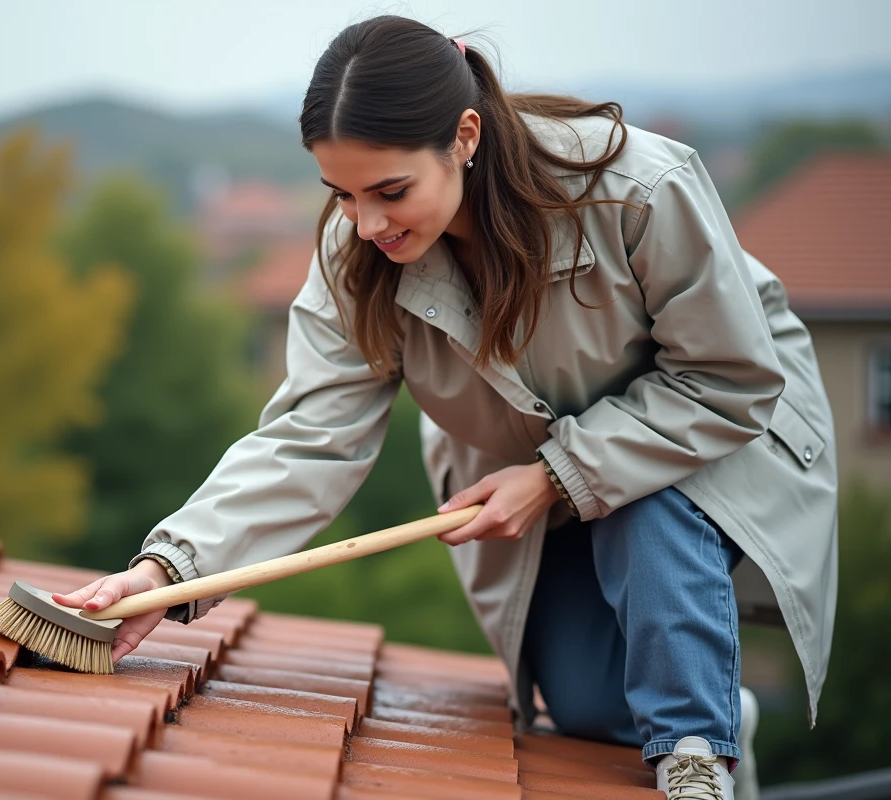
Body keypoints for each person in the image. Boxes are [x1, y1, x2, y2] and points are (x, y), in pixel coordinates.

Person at [54, 15, 838, 800]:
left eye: (391, 191)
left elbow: (726, 379)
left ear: (464, 136)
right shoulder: (355, 254)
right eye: (343, 194)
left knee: (646, 518)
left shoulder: (639, 190)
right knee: (591, 705)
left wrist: (559, 474)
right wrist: (172, 567)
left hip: (708, 438)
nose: (367, 224)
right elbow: (309, 438)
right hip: (530, 476)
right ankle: (715, 699)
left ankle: (700, 752)